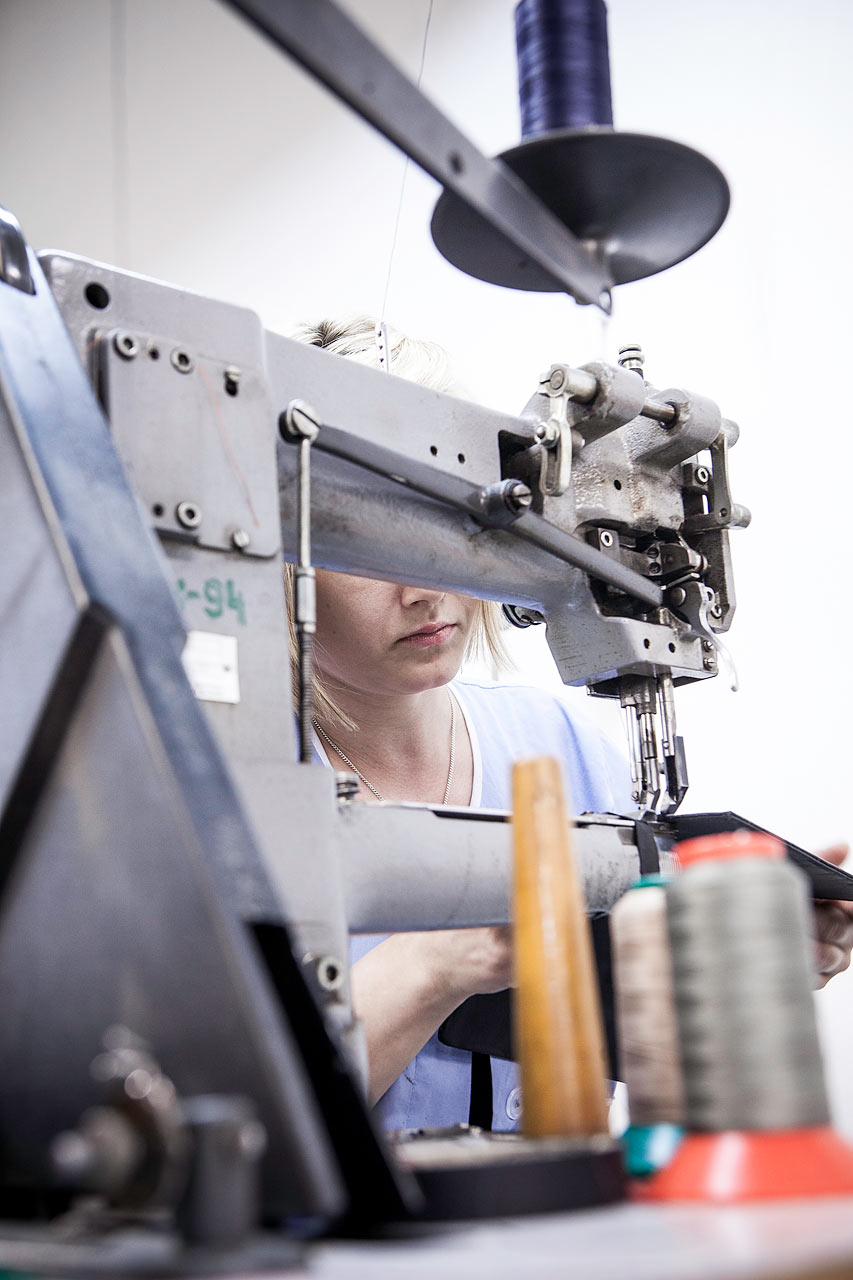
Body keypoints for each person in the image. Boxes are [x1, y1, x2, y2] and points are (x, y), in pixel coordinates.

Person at [290, 316, 853, 1133]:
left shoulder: (559, 748)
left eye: (447, 525)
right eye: (372, 543)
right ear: (285, 556)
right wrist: (439, 963)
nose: (423, 588)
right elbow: (244, 1120)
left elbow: (648, 1049)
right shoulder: (236, 786)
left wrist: (743, 966)